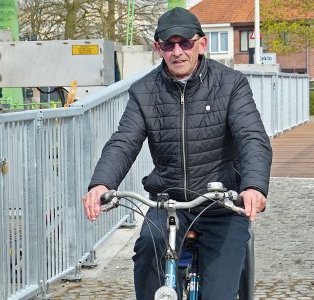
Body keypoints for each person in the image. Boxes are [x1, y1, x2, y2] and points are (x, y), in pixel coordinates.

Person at [82, 7, 272, 300]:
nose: (178, 52)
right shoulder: (144, 91)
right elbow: (124, 141)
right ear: (158, 48)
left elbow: (252, 138)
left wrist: (252, 186)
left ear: (201, 44)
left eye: (185, 43)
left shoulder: (231, 84)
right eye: (169, 45)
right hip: (169, 202)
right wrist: (101, 183)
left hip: (219, 204)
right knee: (147, 252)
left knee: (219, 293)